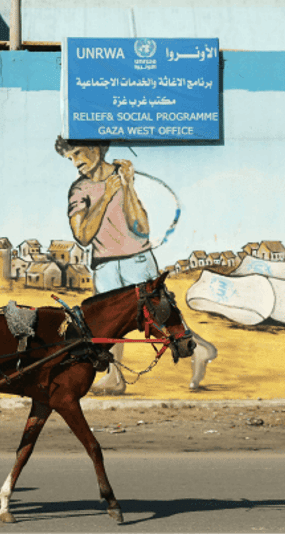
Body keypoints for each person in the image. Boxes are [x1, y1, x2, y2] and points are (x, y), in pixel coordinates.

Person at [55, 136, 217, 393]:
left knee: (160, 315)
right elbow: (83, 235)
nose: (76, 162)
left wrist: (127, 186)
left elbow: (141, 228)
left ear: (95, 148)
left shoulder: (123, 179)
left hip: (137, 260)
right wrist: (106, 196)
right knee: (109, 325)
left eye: (77, 153)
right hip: (105, 264)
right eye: (70, 158)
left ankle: (200, 349)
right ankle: (115, 377)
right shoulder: (80, 189)